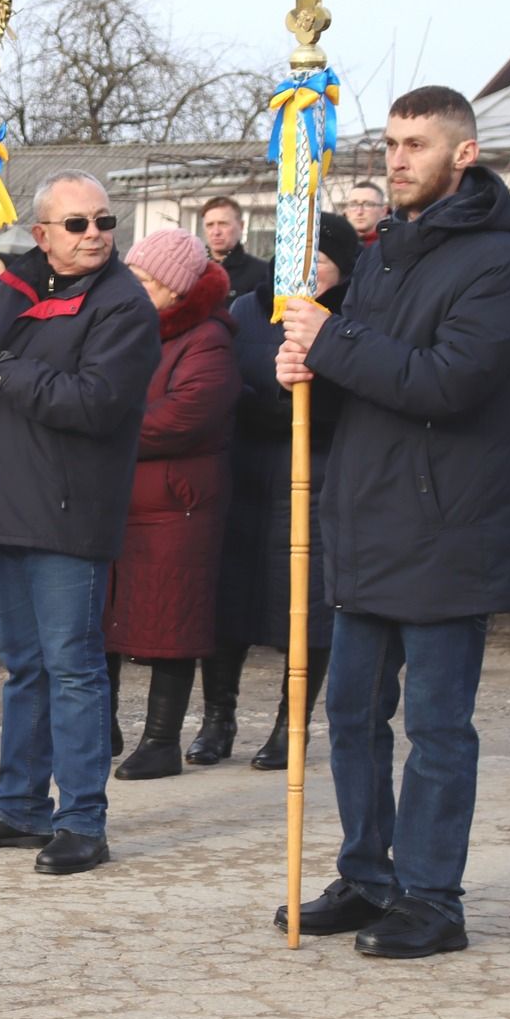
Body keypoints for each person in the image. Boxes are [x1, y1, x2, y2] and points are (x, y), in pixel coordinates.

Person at [274, 85, 510, 958]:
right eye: (389, 143)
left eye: (415, 144)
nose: (396, 159)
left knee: (435, 726)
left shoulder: (497, 264)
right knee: (350, 712)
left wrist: (333, 342)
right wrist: (300, 366)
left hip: (444, 529)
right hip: (364, 521)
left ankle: (433, 897)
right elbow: (361, 370)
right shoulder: (385, 253)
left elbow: (446, 382)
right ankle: (368, 874)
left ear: (463, 154)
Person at [0, 170, 160, 874]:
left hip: (70, 510)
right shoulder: (9, 292)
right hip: (6, 504)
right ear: (42, 234)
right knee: (24, 667)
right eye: (78, 224)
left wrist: (0, 368)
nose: (95, 234)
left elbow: (93, 400)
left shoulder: (124, 304)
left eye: (105, 221)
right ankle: (20, 803)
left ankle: (82, 818)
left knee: (73, 669)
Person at [206, 213, 359, 772]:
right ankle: (217, 718)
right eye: (298, 260)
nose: (305, 273)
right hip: (247, 473)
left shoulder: (350, 318)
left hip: (319, 474)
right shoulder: (249, 309)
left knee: (307, 607)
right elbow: (223, 377)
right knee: (230, 603)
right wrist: (262, 398)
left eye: (318, 264)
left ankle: (289, 724)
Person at [103, 230, 239, 780]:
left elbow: (187, 415)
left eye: (142, 281)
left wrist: (103, 426)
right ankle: (100, 724)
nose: (131, 288)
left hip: (177, 506)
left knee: (170, 624)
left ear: (174, 289)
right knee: (104, 616)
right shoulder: (126, 331)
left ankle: (160, 740)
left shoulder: (207, 339)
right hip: (119, 500)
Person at [200, 197, 269, 301]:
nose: (216, 232)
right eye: (210, 225)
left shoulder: (261, 273)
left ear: (241, 226)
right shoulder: (193, 271)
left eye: (223, 224)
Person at [343, 181, 388, 251]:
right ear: (346, 211)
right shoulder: (334, 246)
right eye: (353, 205)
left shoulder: (393, 247)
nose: (359, 212)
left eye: (368, 204)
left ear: (383, 211)